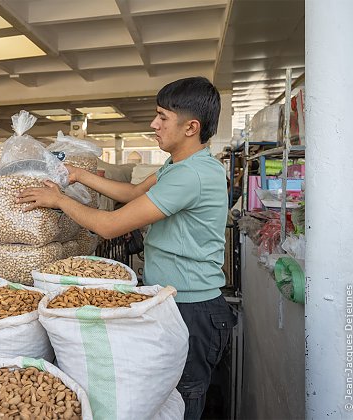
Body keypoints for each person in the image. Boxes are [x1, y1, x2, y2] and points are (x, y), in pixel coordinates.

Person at [17, 76, 237, 420]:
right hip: (175, 299)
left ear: (191, 127)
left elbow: (109, 225)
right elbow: (132, 194)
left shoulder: (190, 176)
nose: (154, 124)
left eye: (163, 117)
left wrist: (58, 199)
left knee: (184, 399)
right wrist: (78, 174)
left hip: (193, 309)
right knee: (170, 397)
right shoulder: (178, 165)